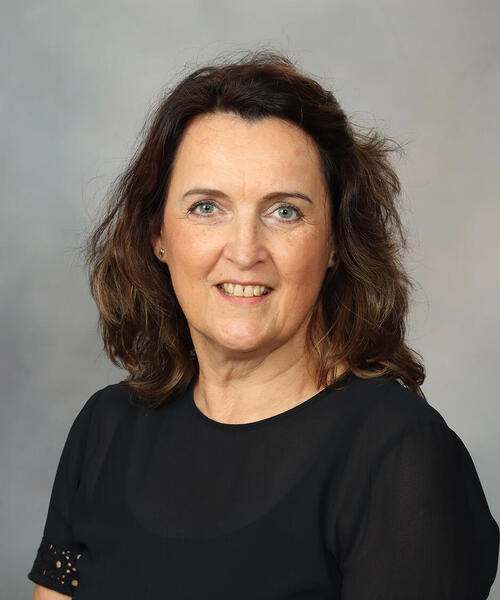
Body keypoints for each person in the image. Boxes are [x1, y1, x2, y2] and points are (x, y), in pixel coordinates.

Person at [28, 49, 499, 599]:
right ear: (158, 235)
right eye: (207, 207)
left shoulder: (401, 455)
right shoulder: (105, 430)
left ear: (334, 243)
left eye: (285, 211)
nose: (245, 251)